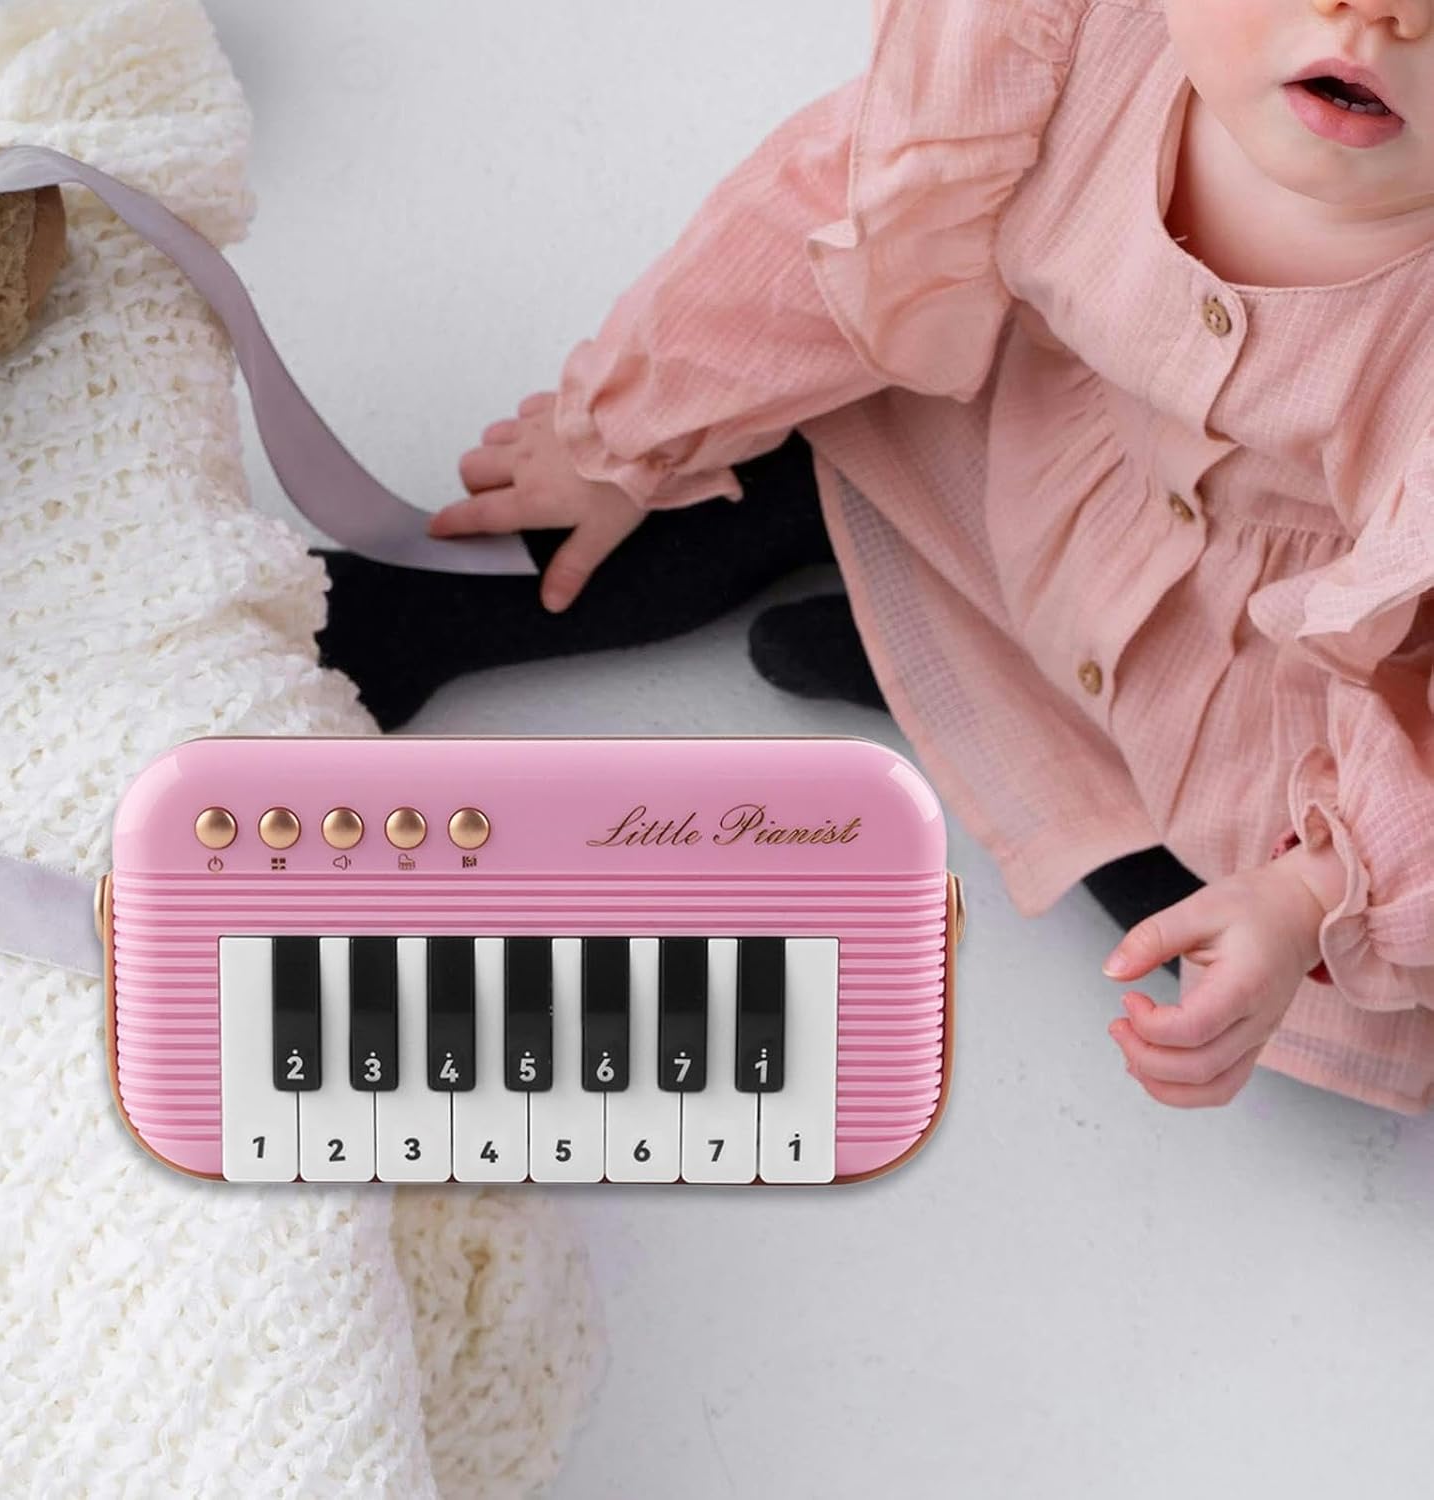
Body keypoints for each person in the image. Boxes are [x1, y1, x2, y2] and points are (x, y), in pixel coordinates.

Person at [313, 0, 1434, 1115]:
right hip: (1020, 458)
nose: (1384, 12)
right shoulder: (1067, 41)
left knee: (1217, 954)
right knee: (800, 384)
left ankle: (945, 676)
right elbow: (831, 220)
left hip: (1275, 716)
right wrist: (621, 436)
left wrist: (1309, 894)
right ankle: (439, 606)